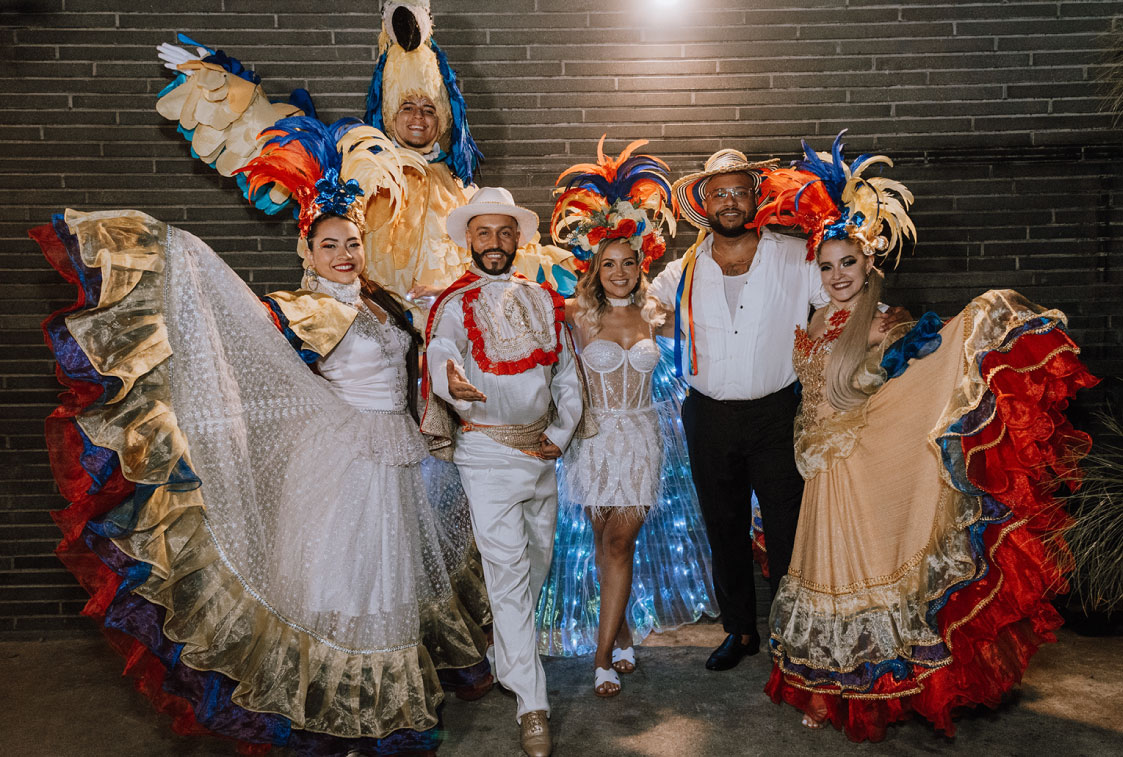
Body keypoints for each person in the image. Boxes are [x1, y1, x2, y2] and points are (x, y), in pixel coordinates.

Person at [34, 118, 491, 755]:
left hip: (397, 455)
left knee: (390, 582)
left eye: (352, 243)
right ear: (307, 251)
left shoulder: (380, 302)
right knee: (347, 586)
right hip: (346, 464)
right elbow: (243, 341)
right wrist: (187, 263)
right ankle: (346, 706)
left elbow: (420, 350)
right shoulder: (305, 308)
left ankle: (386, 696)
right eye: (329, 245)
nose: (343, 255)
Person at [756, 133, 1099, 740]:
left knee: (864, 570)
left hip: (860, 460)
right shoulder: (818, 317)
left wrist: (974, 326)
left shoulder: (885, 321)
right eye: (827, 267)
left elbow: (913, 382)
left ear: (870, 264)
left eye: (848, 263)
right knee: (823, 572)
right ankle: (824, 688)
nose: (837, 276)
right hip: (820, 465)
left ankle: (875, 691)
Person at [155, 1, 578, 303]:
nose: (418, 117)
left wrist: (587, 257)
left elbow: (505, 255)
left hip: (449, 345)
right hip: (374, 336)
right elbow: (278, 141)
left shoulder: (459, 189)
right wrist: (220, 87)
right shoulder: (359, 167)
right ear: (389, 114)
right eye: (406, 107)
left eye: (429, 109)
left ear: (444, 120)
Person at [421, 187, 589, 757]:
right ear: (469, 239)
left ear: (517, 238)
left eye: (504, 232)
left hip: (540, 453)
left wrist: (560, 435)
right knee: (509, 575)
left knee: (535, 566)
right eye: (484, 233)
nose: (494, 243)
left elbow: (567, 376)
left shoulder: (542, 298)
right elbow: (441, 349)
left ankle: (504, 656)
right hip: (487, 454)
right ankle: (532, 705)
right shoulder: (454, 303)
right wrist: (450, 378)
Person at [647, 148, 827, 672]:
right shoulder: (683, 268)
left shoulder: (797, 257)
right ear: (704, 204)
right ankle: (740, 631)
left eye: (740, 192)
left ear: (756, 198)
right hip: (707, 415)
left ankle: (793, 634)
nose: (730, 202)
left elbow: (842, 296)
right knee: (723, 526)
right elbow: (640, 307)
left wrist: (877, 322)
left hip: (778, 414)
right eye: (719, 193)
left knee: (788, 528)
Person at [547, 138, 684, 696]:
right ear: (595, 267)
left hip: (642, 435)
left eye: (629, 262)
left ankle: (602, 657)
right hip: (593, 438)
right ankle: (621, 629)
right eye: (610, 263)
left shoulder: (655, 313)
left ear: (640, 264)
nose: (620, 272)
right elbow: (518, 310)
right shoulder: (578, 315)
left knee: (621, 541)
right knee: (603, 541)